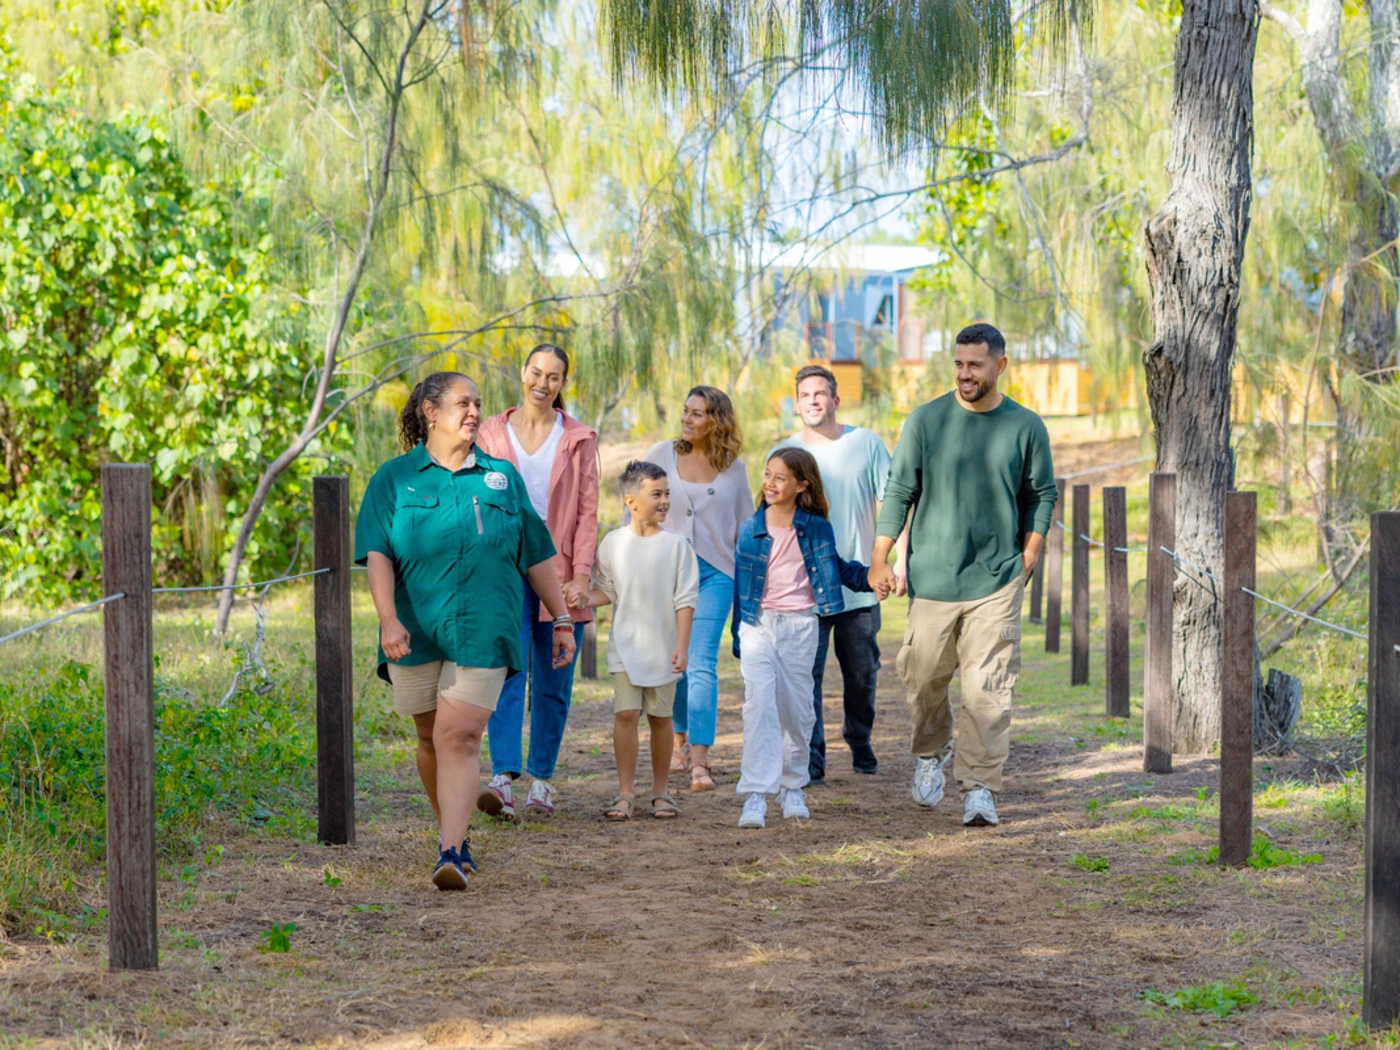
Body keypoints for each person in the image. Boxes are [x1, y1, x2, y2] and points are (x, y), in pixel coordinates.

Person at [355, 371, 575, 890]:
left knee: (458, 735)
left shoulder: (501, 478)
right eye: (462, 403)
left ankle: (449, 852)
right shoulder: (393, 479)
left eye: (478, 403)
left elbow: (537, 553)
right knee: (429, 739)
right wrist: (388, 620)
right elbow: (379, 555)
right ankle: (453, 833)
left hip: (484, 627)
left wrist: (561, 617)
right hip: (415, 629)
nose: (475, 411)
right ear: (431, 412)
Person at [869, 323, 1057, 827]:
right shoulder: (926, 421)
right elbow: (898, 491)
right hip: (933, 576)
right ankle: (931, 752)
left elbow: (1041, 495)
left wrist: (1030, 552)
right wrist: (881, 556)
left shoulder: (1025, 426)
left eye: (975, 364)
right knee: (923, 674)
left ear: (1000, 365)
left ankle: (980, 788)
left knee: (988, 687)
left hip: (997, 578)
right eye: (958, 363)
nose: (965, 373)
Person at [731, 448, 886, 829]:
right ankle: (755, 794)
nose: (769, 483)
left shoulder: (816, 527)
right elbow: (741, 588)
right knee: (759, 707)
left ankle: (792, 786)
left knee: (797, 712)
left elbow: (836, 567)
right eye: (767, 474)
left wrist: (870, 576)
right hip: (760, 625)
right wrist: (739, 634)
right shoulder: (751, 530)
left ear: (802, 485)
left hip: (801, 626)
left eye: (780, 477)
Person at [475, 344, 599, 820]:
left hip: (561, 574)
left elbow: (587, 513)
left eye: (553, 377)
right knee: (508, 673)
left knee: (553, 680)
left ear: (563, 384)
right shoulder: (491, 433)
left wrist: (582, 575)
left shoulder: (579, 438)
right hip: (505, 574)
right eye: (536, 372)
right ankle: (503, 778)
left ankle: (542, 778)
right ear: (522, 373)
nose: (542, 384)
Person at [771, 364, 908, 784]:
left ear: (835, 400)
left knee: (862, 672)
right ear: (796, 405)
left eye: (820, 393)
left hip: (860, 585)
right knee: (803, 677)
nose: (813, 400)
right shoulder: (785, 452)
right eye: (805, 395)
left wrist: (898, 561)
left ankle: (859, 737)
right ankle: (812, 758)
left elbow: (895, 503)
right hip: (803, 591)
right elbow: (772, 519)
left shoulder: (865, 444)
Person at [643, 386, 752, 791]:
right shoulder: (660, 454)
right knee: (677, 661)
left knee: (702, 659)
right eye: (685, 411)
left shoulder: (734, 468)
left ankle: (700, 762)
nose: (687, 420)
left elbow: (745, 526)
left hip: (715, 573)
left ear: (716, 421)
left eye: (697, 414)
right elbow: (633, 508)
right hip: (666, 572)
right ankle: (680, 740)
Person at [586, 461, 699, 821]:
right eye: (657, 494)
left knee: (661, 718)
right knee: (625, 715)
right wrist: (581, 597)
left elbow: (685, 600)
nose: (665, 501)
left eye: (667, 493)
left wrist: (682, 645)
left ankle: (661, 791)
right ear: (631, 501)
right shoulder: (613, 543)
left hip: (664, 649)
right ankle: (625, 792)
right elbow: (607, 591)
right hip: (624, 647)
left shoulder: (678, 545)